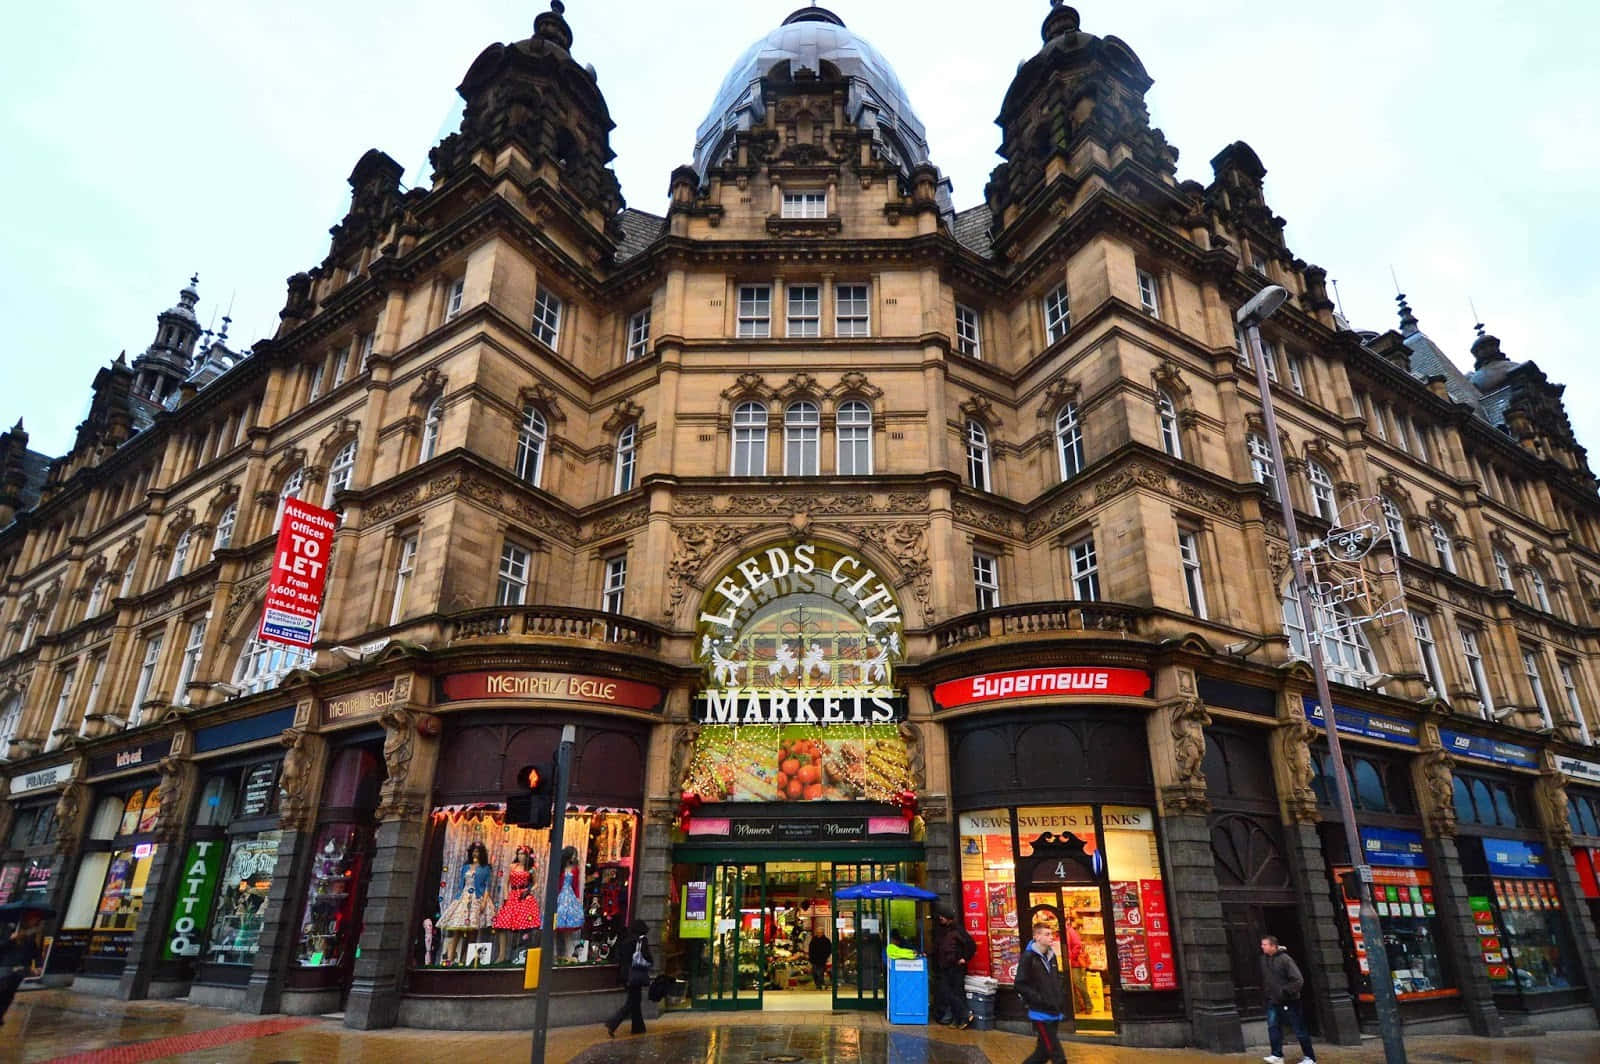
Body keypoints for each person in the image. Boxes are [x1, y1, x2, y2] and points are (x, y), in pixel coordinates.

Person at [1014, 922, 1067, 1064]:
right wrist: (1039, 999)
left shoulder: (1052, 956)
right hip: (1041, 1014)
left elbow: (1056, 978)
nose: (1051, 938)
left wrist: (1060, 997)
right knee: (1057, 1056)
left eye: (1052, 934)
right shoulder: (1028, 957)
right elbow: (1020, 983)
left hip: (1054, 1010)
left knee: (1042, 1054)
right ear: (1037, 936)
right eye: (1047, 934)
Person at [1259, 936, 1316, 1064]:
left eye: (1265, 944)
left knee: (1299, 1029)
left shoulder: (1285, 959)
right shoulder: (1263, 960)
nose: (1262, 947)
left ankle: (1310, 1058)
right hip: (1273, 1000)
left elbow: (1298, 980)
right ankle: (1277, 1055)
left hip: (1290, 1001)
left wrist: (1284, 991)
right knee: (1273, 1027)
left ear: (1273, 946)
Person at [605, 919, 650, 1037]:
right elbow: (647, 957)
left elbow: (620, 957)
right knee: (632, 1002)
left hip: (626, 974)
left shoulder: (626, 940)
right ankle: (613, 1023)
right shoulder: (641, 941)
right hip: (636, 974)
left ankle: (638, 1027)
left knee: (635, 1001)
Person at [933, 907, 975, 1027]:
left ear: (949, 918)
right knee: (948, 992)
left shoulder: (958, 931)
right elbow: (938, 947)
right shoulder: (942, 930)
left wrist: (964, 958)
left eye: (943, 916)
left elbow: (971, 945)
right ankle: (960, 1018)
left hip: (956, 967)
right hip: (945, 967)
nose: (940, 918)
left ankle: (964, 1016)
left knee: (955, 993)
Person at [0, 915, 43, 1025]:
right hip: (5, 968)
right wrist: (10, 940)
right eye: (33, 919)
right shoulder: (8, 931)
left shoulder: (30, 937)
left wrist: (38, 965)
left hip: (20, 970)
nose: (34, 922)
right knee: (2, 991)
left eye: (36, 921)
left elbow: (36, 953)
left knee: (9, 995)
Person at [1064, 916, 1091, 1014]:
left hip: (1075, 963)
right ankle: (1076, 1007)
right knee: (1070, 985)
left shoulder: (1070, 931)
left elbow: (1077, 945)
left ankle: (1089, 1005)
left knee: (1078, 983)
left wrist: (1071, 956)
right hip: (1066, 962)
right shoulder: (1061, 932)